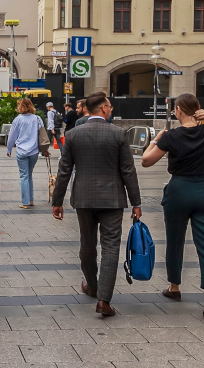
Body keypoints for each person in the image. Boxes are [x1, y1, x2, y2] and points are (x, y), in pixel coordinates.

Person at [141, 94, 204, 320]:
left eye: (175, 109)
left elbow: (146, 160)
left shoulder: (171, 136)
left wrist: (156, 140)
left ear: (179, 110)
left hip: (179, 190)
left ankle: (174, 287)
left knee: (175, 239)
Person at [50, 91, 140, 318]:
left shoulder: (73, 135)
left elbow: (64, 170)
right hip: (112, 199)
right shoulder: (119, 134)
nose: (111, 109)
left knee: (87, 244)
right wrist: (136, 202)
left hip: (84, 198)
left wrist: (57, 201)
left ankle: (91, 284)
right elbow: (128, 170)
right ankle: (104, 300)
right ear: (103, 109)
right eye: (109, 106)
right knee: (110, 247)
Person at [5, 97, 42, 208]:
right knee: (29, 175)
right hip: (34, 151)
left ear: (21, 106)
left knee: (24, 176)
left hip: (21, 150)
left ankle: (25, 202)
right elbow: (42, 134)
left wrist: (9, 148)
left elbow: (12, 136)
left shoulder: (18, 119)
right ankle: (30, 199)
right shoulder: (37, 118)